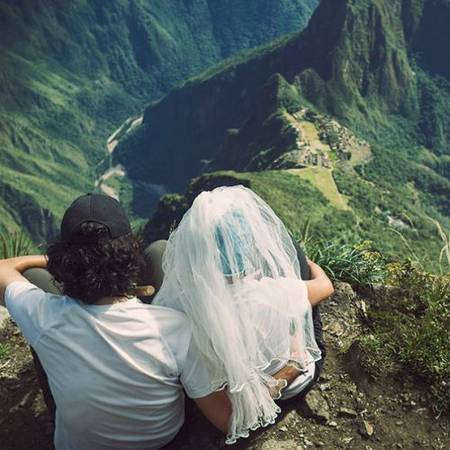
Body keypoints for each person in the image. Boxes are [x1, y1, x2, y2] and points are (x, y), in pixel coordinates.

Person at [0, 193, 232, 450]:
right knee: (159, 252)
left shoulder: (44, 315)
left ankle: (58, 408)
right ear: (130, 252)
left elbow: (3, 268)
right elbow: (227, 421)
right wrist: (282, 375)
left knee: (32, 276)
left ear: (65, 261)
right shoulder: (175, 328)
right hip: (164, 442)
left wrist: (52, 261)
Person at [153, 185, 333, 444]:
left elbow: (224, 419)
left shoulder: (183, 318)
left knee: (158, 250)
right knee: (292, 250)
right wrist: (306, 264)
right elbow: (325, 286)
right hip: (293, 383)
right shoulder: (276, 293)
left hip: (235, 393)